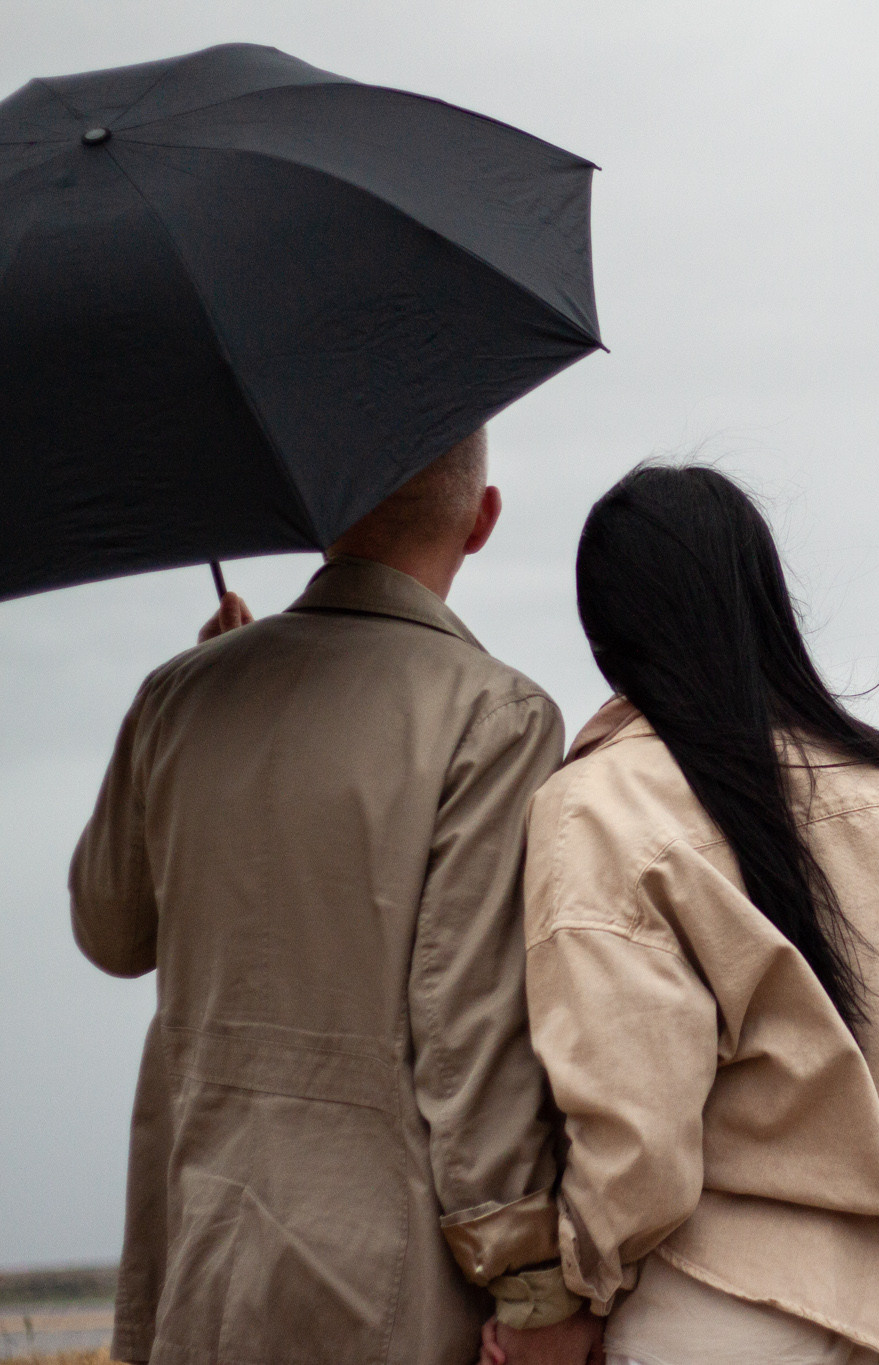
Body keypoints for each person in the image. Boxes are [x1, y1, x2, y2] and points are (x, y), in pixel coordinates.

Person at [488, 465, 879, 1365]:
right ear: (765, 601)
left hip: (723, 1310)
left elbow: (636, 1120)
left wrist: (575, 1290)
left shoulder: (597, 805)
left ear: (605, 633)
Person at [71, 430, 606, 1365]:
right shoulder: (496, 716)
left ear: (322, 512)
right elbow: (473, 1037)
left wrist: (191, 707)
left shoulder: (178, 698)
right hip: (382, 1298)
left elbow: (108, 929)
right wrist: (532, 1290)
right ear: (482, 522)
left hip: (191, 1274)